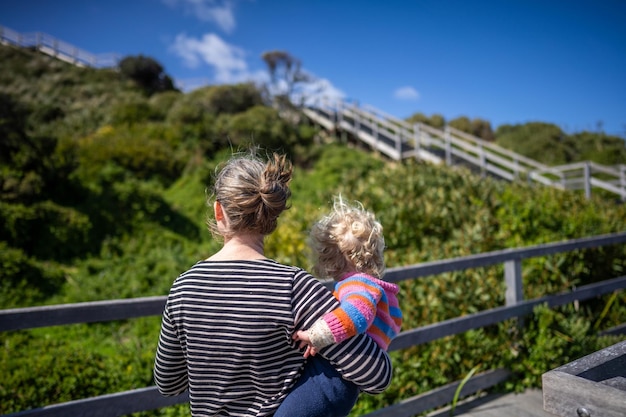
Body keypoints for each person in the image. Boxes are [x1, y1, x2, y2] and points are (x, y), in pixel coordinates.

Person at [154, 152, 393, 417]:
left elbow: (169, 383)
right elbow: (376, 375)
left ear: (219, 210)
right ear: (271, 216)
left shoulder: (182, 288)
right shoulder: (295, 287)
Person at [274, 196, 402, 417]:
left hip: (332, 379)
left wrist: (317, 335)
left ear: (329, 259)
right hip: (349, 381)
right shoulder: (375, 288)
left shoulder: (357, 284)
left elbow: (357, 314)